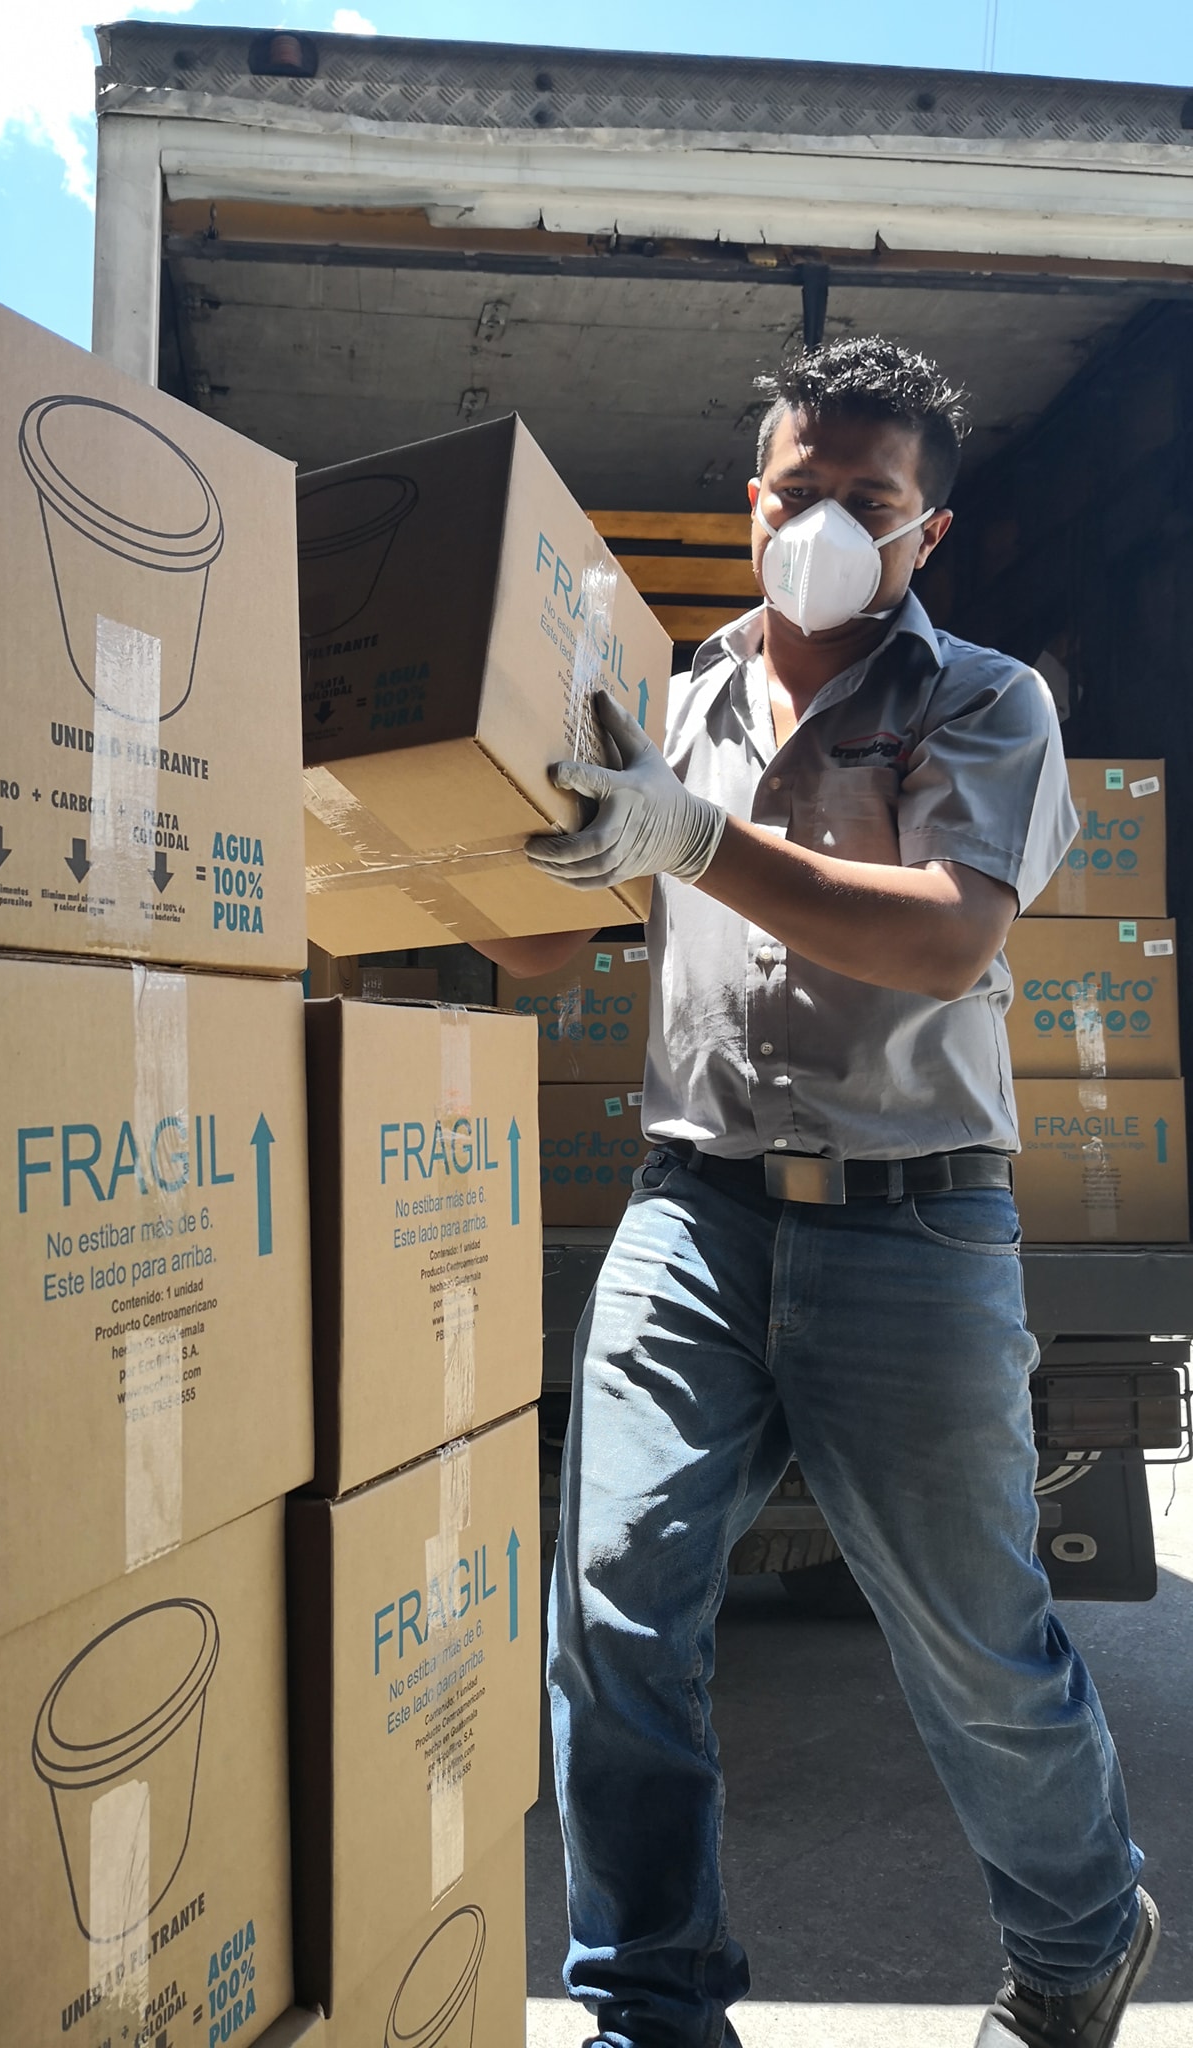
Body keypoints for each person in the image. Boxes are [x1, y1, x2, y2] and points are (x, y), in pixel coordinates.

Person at [480, 336, 1159, 2048]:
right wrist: (456, 825)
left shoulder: (986, 702)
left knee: (973, 1640)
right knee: (616, 1607)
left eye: (872, 499)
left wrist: (691, 841)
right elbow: (546, 940)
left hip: (914, 1223)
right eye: (802, 491)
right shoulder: (666, 703)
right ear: (752, 501)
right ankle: (650, 2005)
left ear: (930, 529)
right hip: (693, 1209)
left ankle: (1080, 1938)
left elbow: (946, 938)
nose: (828, 526)